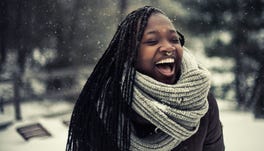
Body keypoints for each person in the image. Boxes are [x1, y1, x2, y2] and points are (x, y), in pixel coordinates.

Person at [66, 6, 224, 151]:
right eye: (152, 41)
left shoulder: (201, 104)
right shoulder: (104, 106)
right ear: (129, 52)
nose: (168, 47)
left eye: (174, 39)